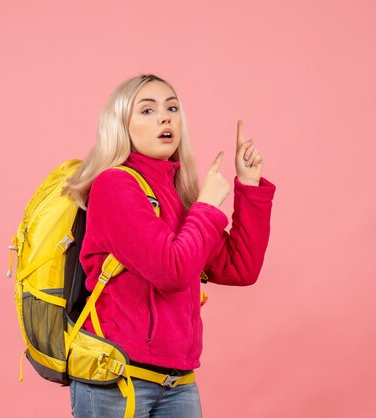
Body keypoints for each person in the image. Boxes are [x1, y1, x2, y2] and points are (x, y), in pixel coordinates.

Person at [61, 74, 276, 417]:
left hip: (177, 383)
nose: (165, 117)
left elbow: (241, 267)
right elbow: (172, 271)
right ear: (122, 126)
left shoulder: (176, 195)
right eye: (147, 110)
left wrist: (248, 186)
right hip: (116, 379)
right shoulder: (114, 185)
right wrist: (206, 207)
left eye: (172, 108)